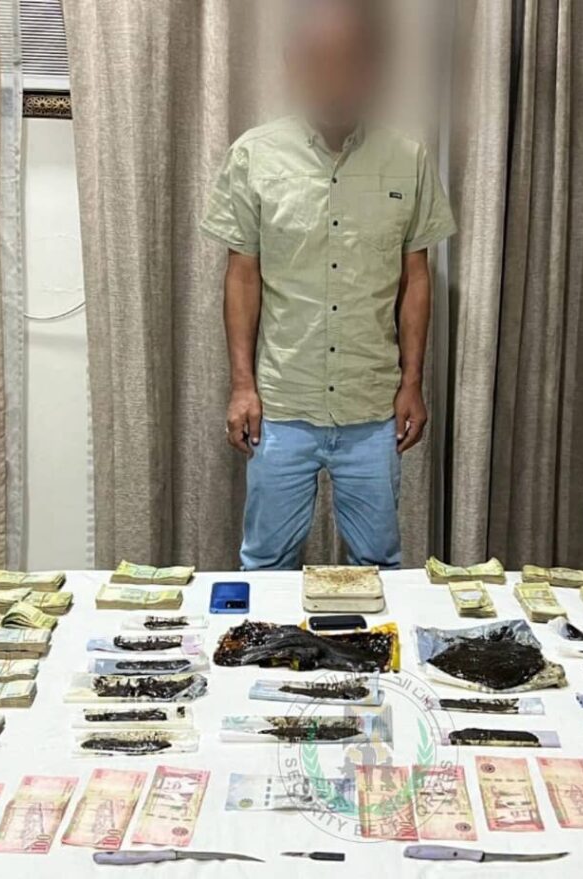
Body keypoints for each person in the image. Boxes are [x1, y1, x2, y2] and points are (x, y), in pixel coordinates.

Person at [200, 0, 456, 571]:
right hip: (282, 405)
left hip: (372, 406)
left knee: (379, 567)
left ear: (371, 68)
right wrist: (242, 386)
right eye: (320, 60)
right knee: (266, 565)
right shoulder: (254, 156)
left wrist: (412, 383)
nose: (335, 76)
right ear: (294, 64)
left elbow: (416, 279)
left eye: (349, 60)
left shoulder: (408, 160)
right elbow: (242, 275)